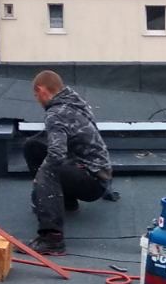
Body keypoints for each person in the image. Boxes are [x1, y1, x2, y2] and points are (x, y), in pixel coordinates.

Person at [23, 70, 112, 255]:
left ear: (41, 90)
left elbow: (56, 155)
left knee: (48, 170)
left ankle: (52, 238)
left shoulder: (56, 114)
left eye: (36, 95)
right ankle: (66, 201)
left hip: (92, 181)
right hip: (99, 174)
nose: (37, 100)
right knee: (33, 146)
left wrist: (39, 182)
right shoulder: (74, 101)